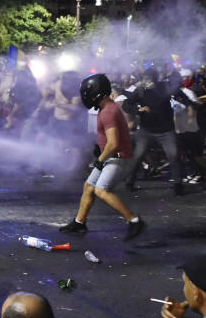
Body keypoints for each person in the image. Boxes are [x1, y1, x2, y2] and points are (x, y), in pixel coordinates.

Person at [60, 73, 145, 241]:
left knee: (101, 190)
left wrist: (99, 160)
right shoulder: (108, 108)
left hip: (118, 158)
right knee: (88, 187)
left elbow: (113, 144)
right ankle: (79, 223)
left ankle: (134, 221)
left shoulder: (108, 112)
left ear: (96, 93)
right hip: (111, 157)